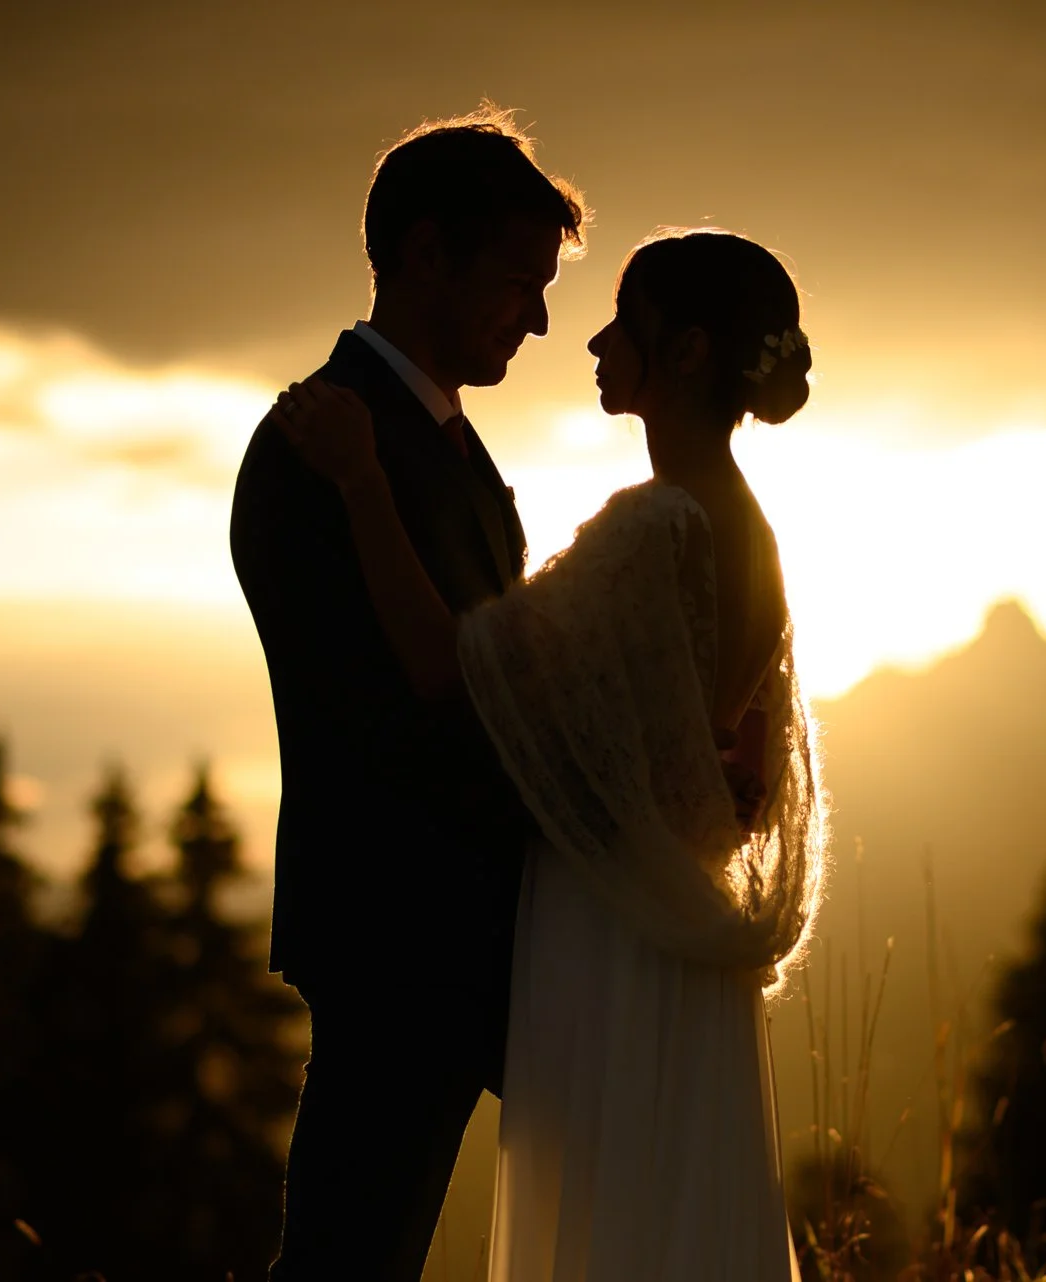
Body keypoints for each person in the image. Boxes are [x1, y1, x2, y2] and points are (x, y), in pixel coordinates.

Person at [274, 228, 829, 1281]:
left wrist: (361, 482)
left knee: (603, 1226)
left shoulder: (654, 529)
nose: (596, 341)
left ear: (687, 353)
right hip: (673, 928)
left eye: (626, 321)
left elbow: (447, 668)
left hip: (606, 928)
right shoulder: (751, 533)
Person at [228, 108, 585, 1281]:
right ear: (427, 254)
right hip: (396, 926)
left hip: (465, 928)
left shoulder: (447, 447)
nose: (539, 320)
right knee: (348, 1258)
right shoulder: (319, 445)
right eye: (520, 283)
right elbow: (389, 707)